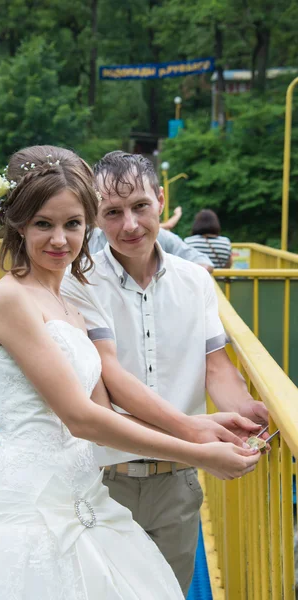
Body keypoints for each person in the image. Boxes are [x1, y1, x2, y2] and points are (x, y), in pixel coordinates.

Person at [0, 146, 261, 600]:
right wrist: (200, 448)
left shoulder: (68, 305)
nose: (60, 239)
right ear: (18, 224)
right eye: (43, 224)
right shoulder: (10, 299)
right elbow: (82, 419)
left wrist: (207, 424)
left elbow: (103, 413)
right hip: (32, 505)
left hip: (84, 497)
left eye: (72, 224)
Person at [61, 151, 268, 596]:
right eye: (112, 213)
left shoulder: (196, 280)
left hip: (179, 481)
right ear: (96, 218)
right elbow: (109, 375)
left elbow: (217, 368)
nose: (130, 225)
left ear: (160, 201)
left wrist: (246, 412)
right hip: (105, 477)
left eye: (139, 206)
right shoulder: (79, 283)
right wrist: (198, 438)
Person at [89, 225, 214, 272]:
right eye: (114, 211)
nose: (130, 225)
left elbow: (202, 261)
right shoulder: (87, 239)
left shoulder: (162, 236)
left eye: (139, 206)